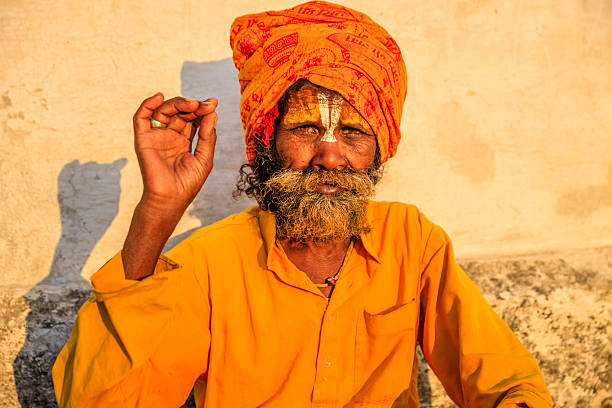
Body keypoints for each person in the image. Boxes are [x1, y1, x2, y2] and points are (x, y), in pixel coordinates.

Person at [52, 2, 552, 407]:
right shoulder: (207, 264)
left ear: (379, 150)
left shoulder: (411, 240)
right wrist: (157, 211)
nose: (330, 157)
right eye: (306, 129)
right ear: (267, 140)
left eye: (354, 133)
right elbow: (100, 400)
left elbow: (502, 377)